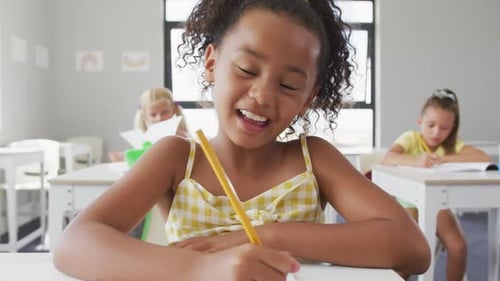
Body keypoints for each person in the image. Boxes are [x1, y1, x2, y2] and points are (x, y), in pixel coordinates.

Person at [54, 1, 431, 280]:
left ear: (308, 98)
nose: (263, 96)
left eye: (289, 85)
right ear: (212, 64)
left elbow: (412, 250)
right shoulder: (175, 157)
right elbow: (74, 244)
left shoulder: (312, 158)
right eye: (247, 69)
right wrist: (200, 268)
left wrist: (267, 236)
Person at [381, 88, 491, 281]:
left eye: (444, 128)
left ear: (453, 127)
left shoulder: (449, 146)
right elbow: (388, 158)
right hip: (408, 202)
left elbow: (483, 157)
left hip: (436, 202)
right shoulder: (410, 138)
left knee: (458, 247)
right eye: (431, 125)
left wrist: (443, 158)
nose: (436, 132)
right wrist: (416, 161)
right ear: (420, 122)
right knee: (406, 252)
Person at [108, 87, 190, 162]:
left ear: (174, 111)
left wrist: (125, 156)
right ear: (144, 117)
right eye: (153, 115)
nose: (159, 118)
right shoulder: (145, 140)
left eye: (165, 112)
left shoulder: (181, 136)